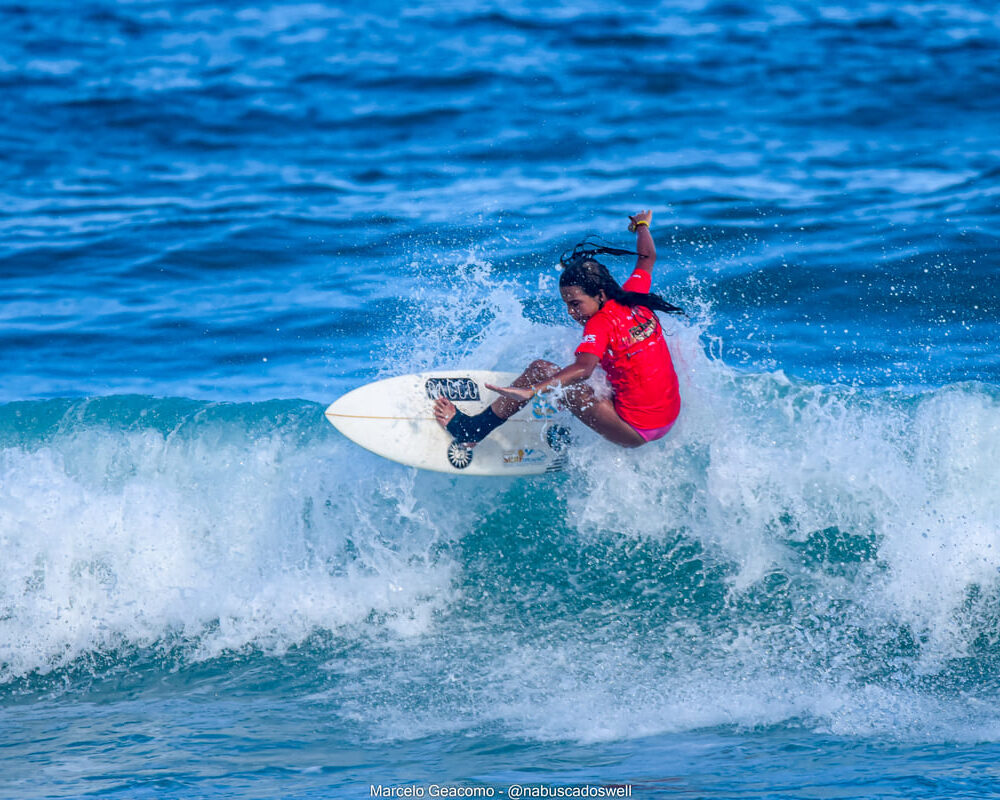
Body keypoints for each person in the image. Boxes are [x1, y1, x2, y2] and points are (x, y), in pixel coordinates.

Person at [433, 210, 683, 448]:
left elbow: (583, 370)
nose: (571, 313)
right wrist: (642, 226)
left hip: (635, 430)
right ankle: (567, 426)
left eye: (575, 304)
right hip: (667, 417)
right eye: (567, 305)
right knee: (587, 367)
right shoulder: (633, 295)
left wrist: (529, 391)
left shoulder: (601, 322)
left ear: (600, 294)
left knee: (541, 371)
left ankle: (473, 431)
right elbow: (647, 257)